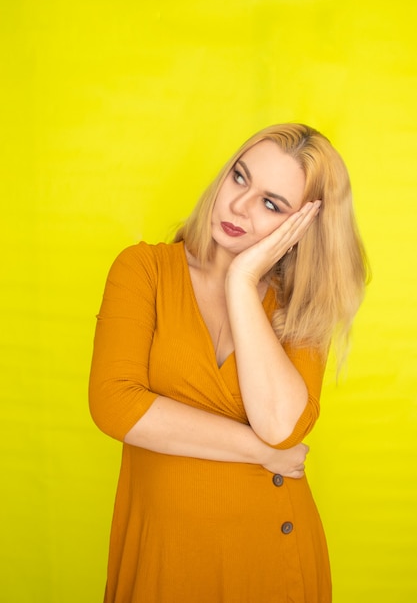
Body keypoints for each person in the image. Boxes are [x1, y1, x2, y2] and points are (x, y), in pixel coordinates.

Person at [89, 123, 368, 603]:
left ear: (301, 226)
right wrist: (259, 452)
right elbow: (115, 404)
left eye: (271, 204)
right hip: (164, 553)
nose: (239, 206)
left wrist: (242, 282)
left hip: (271, 559)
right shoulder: (144, 270)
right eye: (239, 178)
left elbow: (282, 428)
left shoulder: (297, 309)